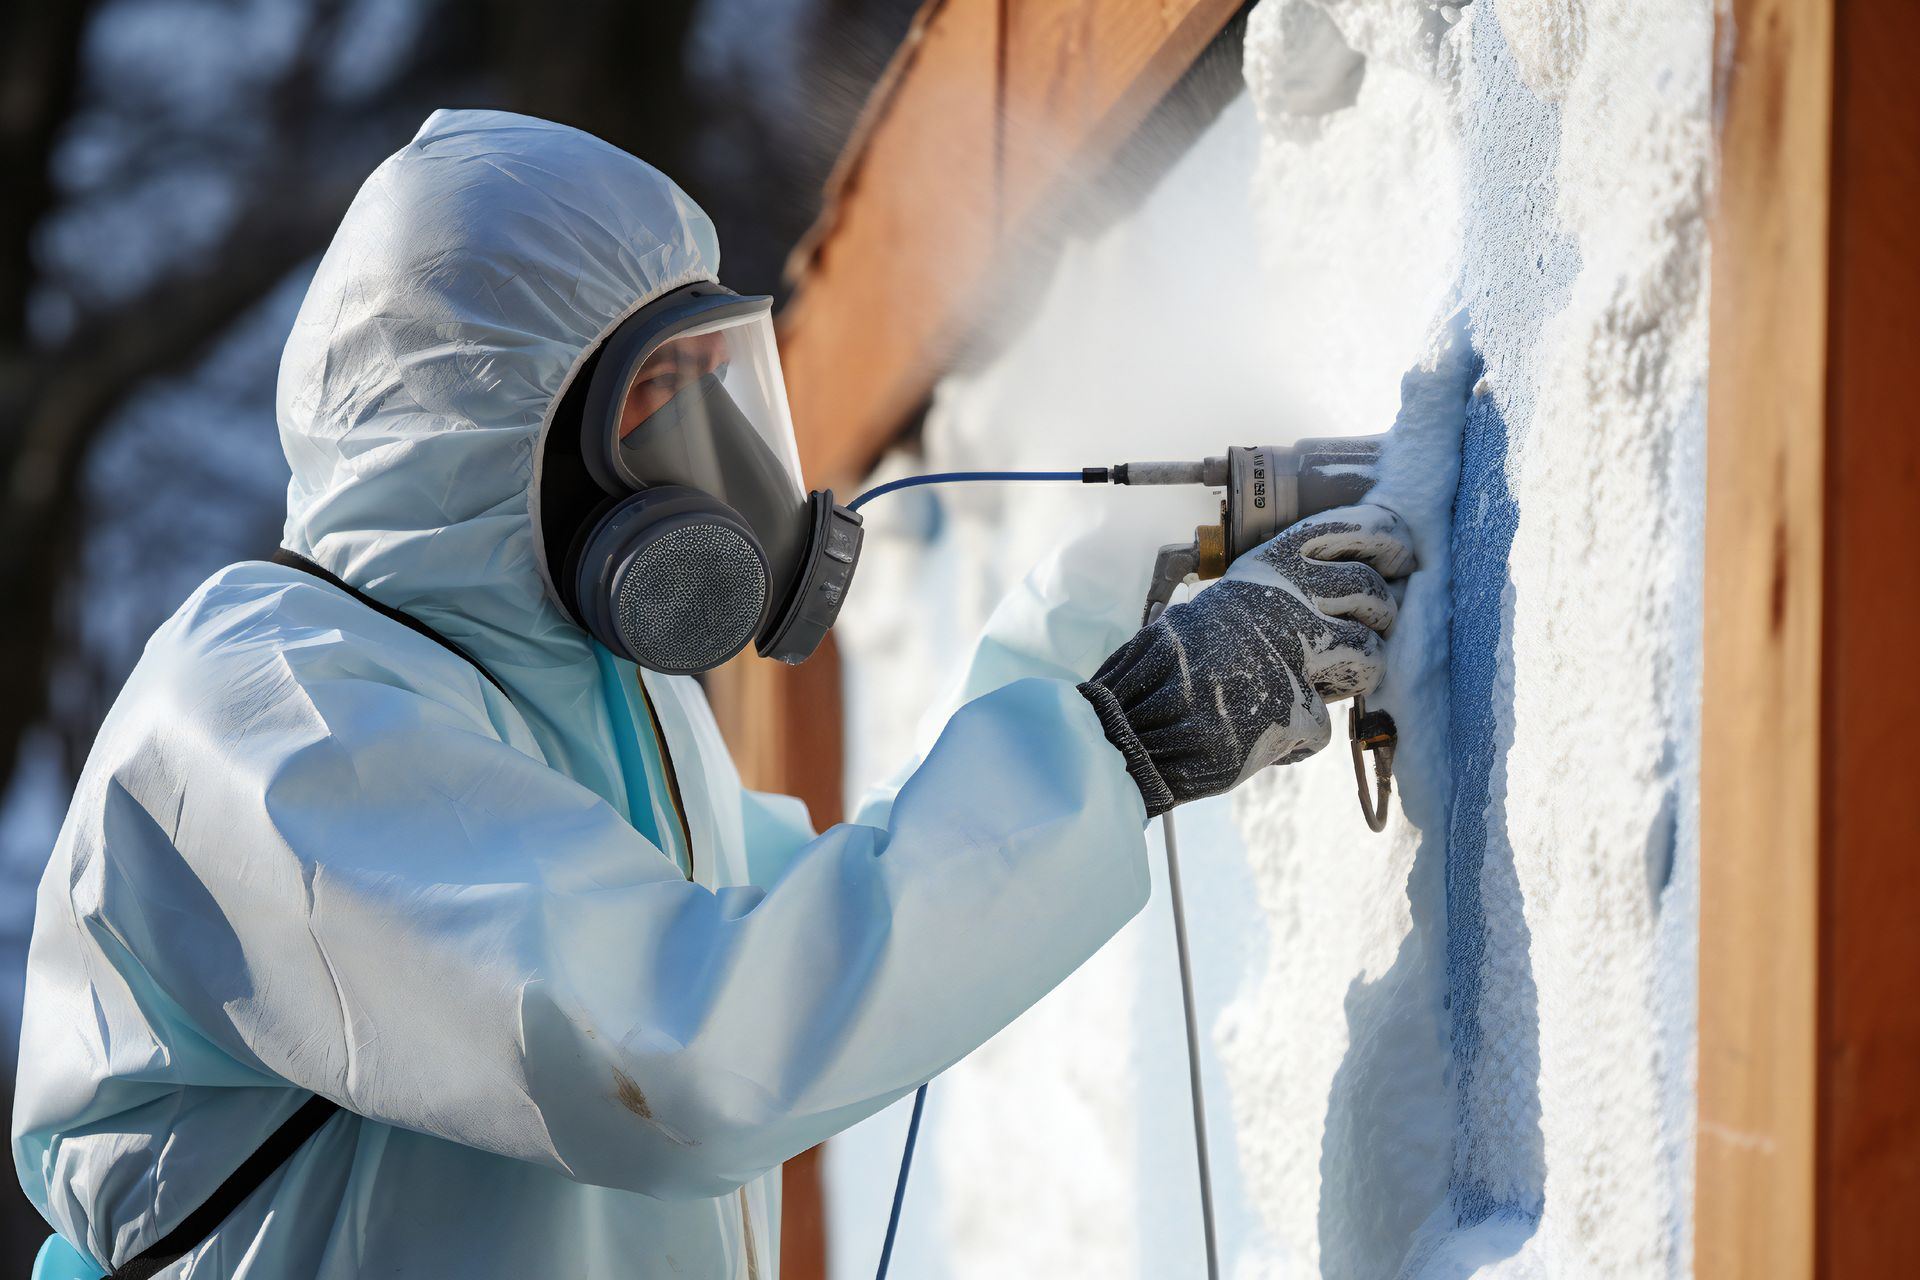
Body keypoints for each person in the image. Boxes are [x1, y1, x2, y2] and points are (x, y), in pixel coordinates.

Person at [12, 111, 1413, 1279]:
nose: (723, 453)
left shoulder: (579, 705)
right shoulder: (265, 715)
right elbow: (691, 1046)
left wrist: (1098, 614)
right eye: (659, 396)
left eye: (721, 378)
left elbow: (818, 922)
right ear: (508, 435)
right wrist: (1128, 743)